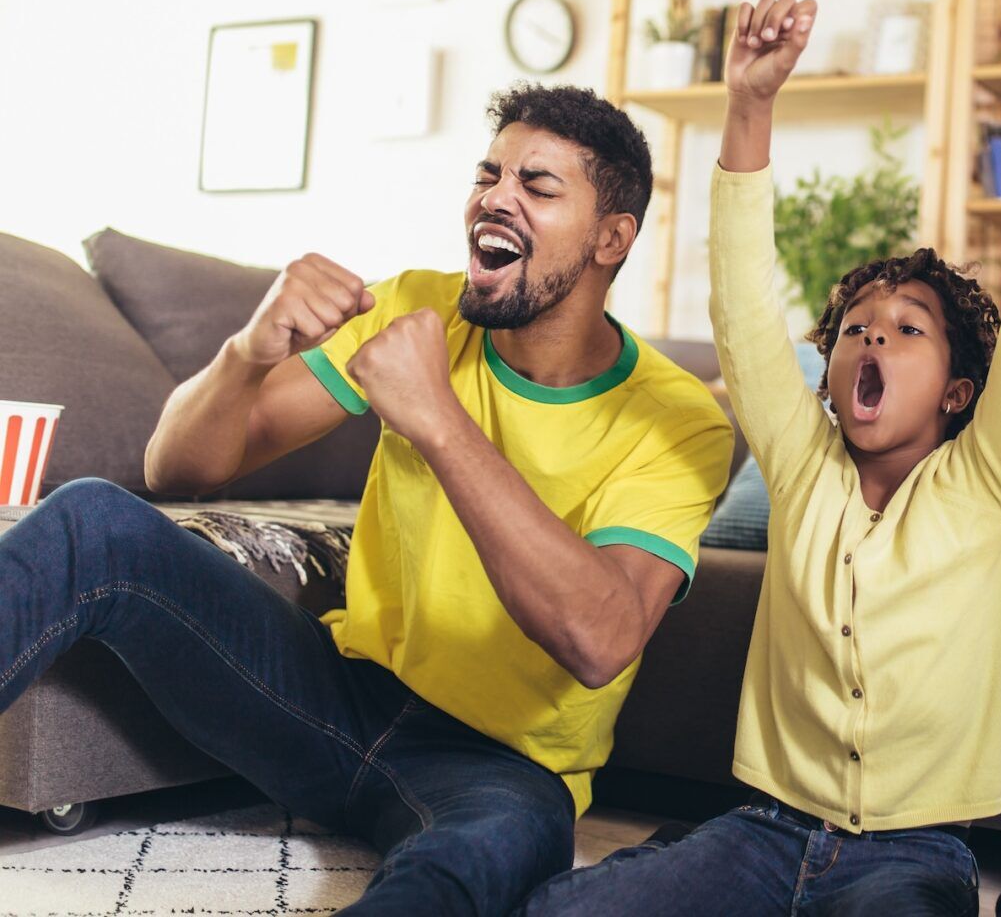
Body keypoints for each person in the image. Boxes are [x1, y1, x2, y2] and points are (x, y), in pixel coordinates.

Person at [0, 85, 735, 915]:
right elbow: (177, 469)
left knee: (470, 871)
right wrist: (246, 352)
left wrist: (438, 421)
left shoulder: (674, 417)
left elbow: (600, 639)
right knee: (92, 520)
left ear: (612, 238)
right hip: (327, 697)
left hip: (502, 770)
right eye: (489, 175)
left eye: (538, 186)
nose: (495, 197)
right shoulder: (417, 304)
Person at [521, 0, 1001, 915]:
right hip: (761, 832)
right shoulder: (802, 460)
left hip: (916, 852)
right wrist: (749, 102)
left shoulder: (985, 481)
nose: (872, 338)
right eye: (857, 327)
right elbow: (742, 308)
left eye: (907, 330)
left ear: (957, 391)